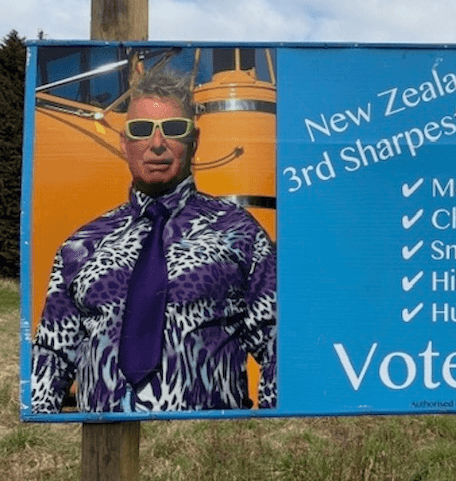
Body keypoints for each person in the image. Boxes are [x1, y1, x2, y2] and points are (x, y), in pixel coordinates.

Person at [31, 69, 277, 413]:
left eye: (174, 129)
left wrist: (265, 429)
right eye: (141, 130)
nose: (157, 143)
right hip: (104, 450)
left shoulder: (240, 233)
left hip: (207, 450)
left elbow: (278, 344)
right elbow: (52, 354)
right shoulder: (81, 246)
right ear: (124, 142)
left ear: (195, 140)